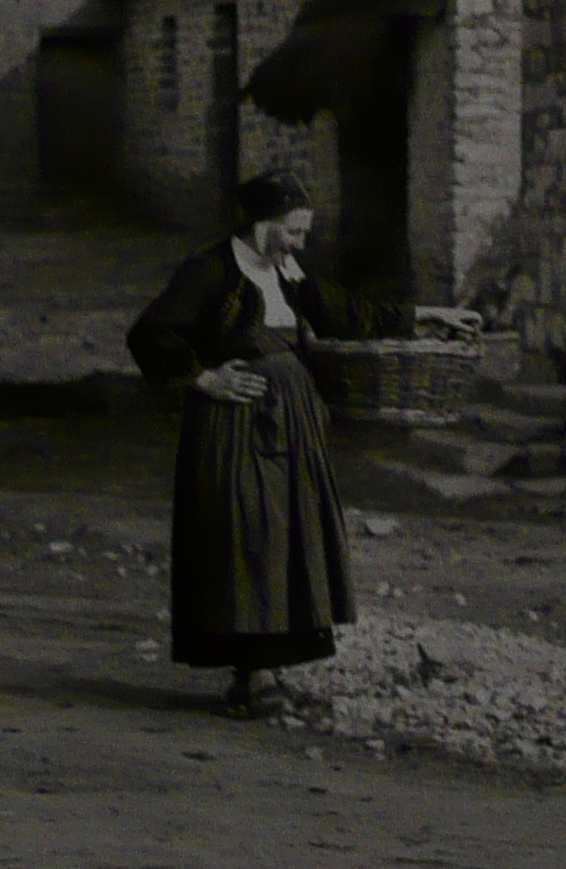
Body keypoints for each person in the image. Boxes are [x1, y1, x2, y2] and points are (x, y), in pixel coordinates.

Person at [126, 170, 481, 717]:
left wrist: (429, 317)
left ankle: (265, 674)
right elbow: (150, 332)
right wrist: (204, 378)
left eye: (303, 233)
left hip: (291, 422)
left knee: (288, 535)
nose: (299, 244)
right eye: (292, 232)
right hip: (236, 427)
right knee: (249, 537)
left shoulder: (286, 271)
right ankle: (252, 676)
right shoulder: (211, 270)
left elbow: (344, 312)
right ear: (262, 223)